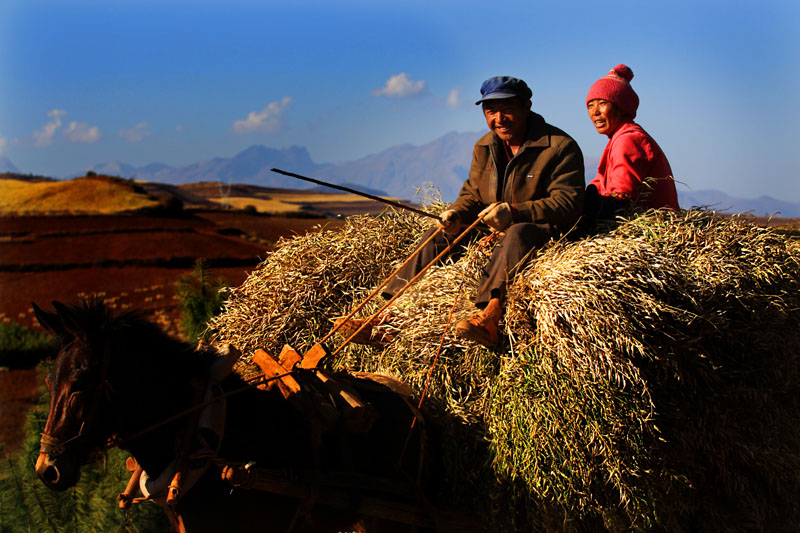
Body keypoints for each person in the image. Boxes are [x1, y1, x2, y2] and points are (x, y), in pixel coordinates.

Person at [336, 76, 585, 348]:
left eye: (507, 109)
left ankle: (490, 316)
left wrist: (515, 212)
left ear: (527, 106)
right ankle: (384, 320)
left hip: (539, 230)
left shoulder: (559, 147)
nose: (499, 118)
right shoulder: (484, 147)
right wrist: (455, 214)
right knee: (436, 235)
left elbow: (569, 203)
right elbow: (472, 195)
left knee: (517, 232)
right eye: (490, 111)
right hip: (494, 230)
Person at [582, 64, 679, 232]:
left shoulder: (629, 140)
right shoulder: (619, 138)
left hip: (650, 230)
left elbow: (621, 198)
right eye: (591, 105)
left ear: (621, 109)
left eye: (603, 103)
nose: (595, 112)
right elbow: (597, 186)